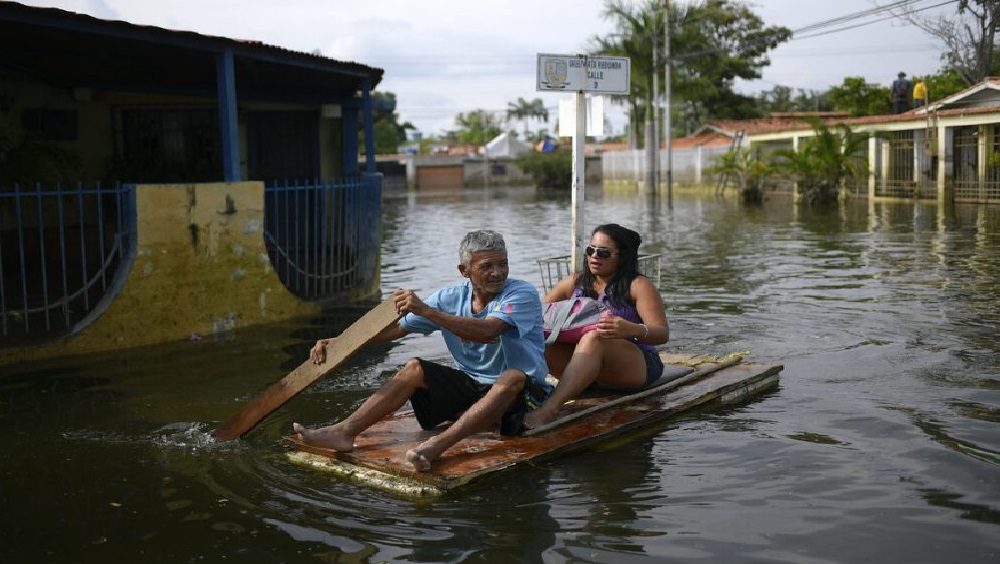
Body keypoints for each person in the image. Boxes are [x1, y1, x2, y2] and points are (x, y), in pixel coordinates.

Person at [292, 230, 552, 472]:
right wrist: (339, 341)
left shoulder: (521, 294)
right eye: (487, 266)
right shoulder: (448, 298)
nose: (498, 273)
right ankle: (345, 431)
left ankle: (436, 446)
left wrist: (427, 311)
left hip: (525, 396)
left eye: (502, 264)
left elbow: (487, 331)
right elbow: (396, 331)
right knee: (415, 368)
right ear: (465, 271)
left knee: (513, 377)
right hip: (475, 388)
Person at [523, 223, 669, 430]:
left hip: (634, 366)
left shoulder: (638, 285)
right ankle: (519, 395)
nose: (594, 257)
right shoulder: (575, 282)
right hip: (585, 366)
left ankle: (549, 410)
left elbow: (662, 333)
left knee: (594, 336)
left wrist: (633, 329)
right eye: (591, 250)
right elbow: (538, 316)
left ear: (622, 256)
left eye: (603, 253)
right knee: (537, 336)